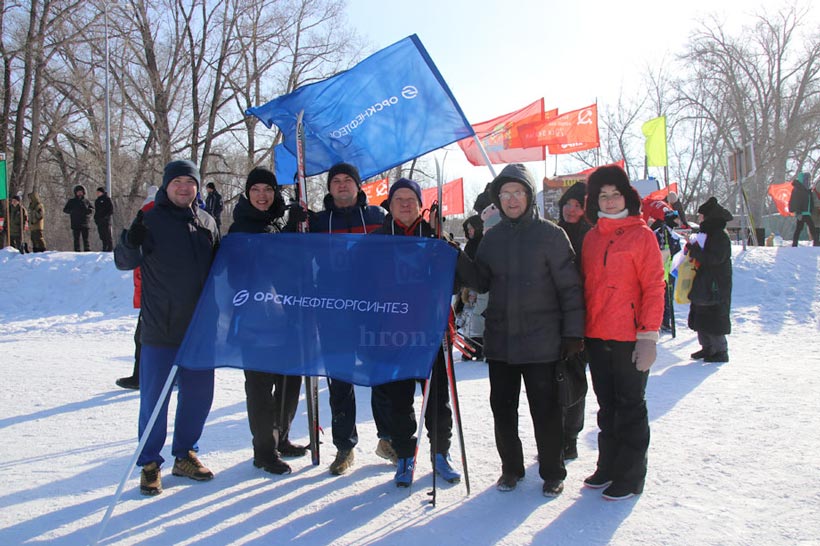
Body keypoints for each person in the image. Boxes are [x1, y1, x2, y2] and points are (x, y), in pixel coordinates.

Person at [459, 164, 585, 498]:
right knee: (502, 409)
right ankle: (511, 468)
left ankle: (552, 471)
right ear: (497, 199)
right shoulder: (492, 238)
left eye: (518, 192)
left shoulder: (551, 235)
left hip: (543, 342)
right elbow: (482, 281)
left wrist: (573, 334)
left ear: (528, 196)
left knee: (545, 411)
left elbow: (570, 289)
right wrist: (458, 260)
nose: (512, 199)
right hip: (501, 342)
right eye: (505, 193)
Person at [114, 159, 220, 496]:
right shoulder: (151, 219)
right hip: (161, 329)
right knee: (155, 401)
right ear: (166, 186)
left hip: (200, 331)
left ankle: (185, 454)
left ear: (198, 187)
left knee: (199, 398)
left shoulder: (207, 221)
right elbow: (124, 261)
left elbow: (220, 269)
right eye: (178, 183)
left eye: (190, 183)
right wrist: (131, 241)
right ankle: (149, 463)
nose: (185, 188)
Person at [293, 162, 395, 475]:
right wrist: (293, 227)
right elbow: (294, 258)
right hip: (333, 310)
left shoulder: (378, 218)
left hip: (373, 310)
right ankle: (344, 446)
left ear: (357, 185)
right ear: (329, 187)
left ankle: (388, 438)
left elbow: (403, 249)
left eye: (347, 180)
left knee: (380, 376)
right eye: (335, 181)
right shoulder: (319, 222)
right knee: (340, 380)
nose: (341, 185)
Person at [580, 165, 665, 501]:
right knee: (606, 406)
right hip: (598, 335)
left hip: (630, 336)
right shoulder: (591, 238)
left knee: (630, 406)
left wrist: (648, 336)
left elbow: (655, 287)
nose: (611, 201)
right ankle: (609, 466)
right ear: (595, 200)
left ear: (626, 197)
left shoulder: (641, 235)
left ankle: (630, 476)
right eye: (604, 195)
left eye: (615, 194)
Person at [371, 177, 462, 487]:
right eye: (400, 200)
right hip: (391, 332)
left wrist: (447, 245)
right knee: (397, 401)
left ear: (421, 204)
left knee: (437, 398)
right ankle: (405, 455)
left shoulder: (435, 237)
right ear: (391, 205)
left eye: (411, 199)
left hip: (431, 331)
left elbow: (464, 277)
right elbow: (361, 284)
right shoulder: (380, 239)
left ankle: (440, 453)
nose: (406, 204)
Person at [229, 166, 306, 475]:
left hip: (287, 318)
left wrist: (296, 231)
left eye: (268, 190)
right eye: (256, 190)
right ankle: (264, 450)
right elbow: (242, 275)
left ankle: (281, 437)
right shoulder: (241, 228)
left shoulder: (277, 223)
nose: (263, 195)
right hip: (255, 323)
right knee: (261, 388)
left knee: (289, 381)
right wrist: (288, 235)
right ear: (248, 194)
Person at [556, 181, 592, 461]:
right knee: (551, 380)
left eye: (577, 205)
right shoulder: (550, 233)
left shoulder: (590, 236)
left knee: (575, 378)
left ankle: (571, 436)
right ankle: (553, 433)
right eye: (568, 203)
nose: (571, 209)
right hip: (551, 317)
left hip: (582, 317)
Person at [116, 186, 159, 391]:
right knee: (143, 337)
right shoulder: (149, 220)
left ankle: (141, 376)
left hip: (153, 296)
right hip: (151, 294)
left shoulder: (148, 217)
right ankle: (141, 374)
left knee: (144, 338)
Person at [687, 197, 733, 363]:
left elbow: (714, 258)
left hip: (716, 283)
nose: (699, 219)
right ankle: (707, 347)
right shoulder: (708, 233)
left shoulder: (719, 236)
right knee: (701, 312)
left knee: (714, 315)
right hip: (705, 280)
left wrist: (696, 251)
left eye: (701, 216)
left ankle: (720, 350)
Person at [654, 210, 683, 333]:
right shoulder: (660, 234)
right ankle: (661, 321)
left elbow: (678, 253)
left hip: (671, 270)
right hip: (660, 270)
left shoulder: (674, 235)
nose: (678, 221)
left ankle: (666, 320)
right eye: (676, 219)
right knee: (661, 297)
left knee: (668, 297)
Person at [788, 176, 819, 246]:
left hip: (807, 213)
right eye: (807, 179)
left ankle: (816, 243)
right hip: (801, 213)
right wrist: (798, 212)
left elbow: (810, 201)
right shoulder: (797, 189)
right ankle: (795, 244)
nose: (808, 181)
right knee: (800, 229)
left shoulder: (807, 190)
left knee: (810, 228)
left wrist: (810, 210)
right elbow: (795, 201)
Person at [63, 185, 94, 251]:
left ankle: (87, 250)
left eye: (81, 192)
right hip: (75, 222)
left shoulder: (86, 201)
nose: (80, 193)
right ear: (75, 193)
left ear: (83, 193)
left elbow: (92, 209)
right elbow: (65, 210)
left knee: (86, 239)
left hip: (85, 223)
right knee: (76, 238)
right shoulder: (72, 201)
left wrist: (89, 211)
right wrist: (72, 211)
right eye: (78, 192)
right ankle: (77, 250)